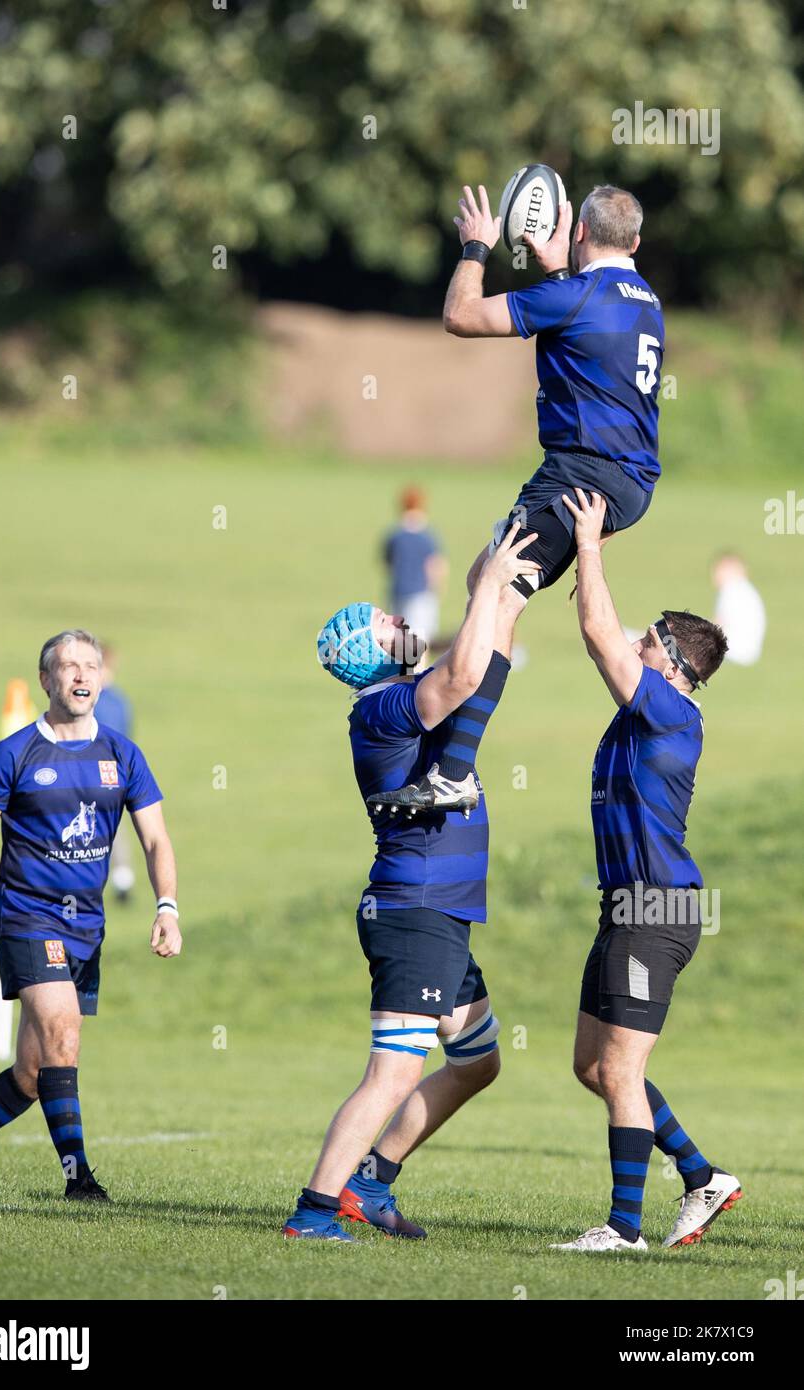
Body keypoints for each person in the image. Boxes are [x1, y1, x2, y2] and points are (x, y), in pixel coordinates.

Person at [373, 182, 666, 814]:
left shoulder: (576, 292)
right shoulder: (645, 301)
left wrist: (477, 247)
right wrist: (559, 263)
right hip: (628, 478)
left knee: (497, 593)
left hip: (580, 476)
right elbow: (585, 333)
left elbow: (462, 317)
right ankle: (453, 746)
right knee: (486, 576)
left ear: (582, 232)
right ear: (636, 243)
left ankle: (454, 770)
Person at [281, 528, 539, 1239]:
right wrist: (486, 589)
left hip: (442, 911)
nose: (404, 623)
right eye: (389, 624)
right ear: (371, 652)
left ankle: (373, 1180)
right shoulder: (381, 708)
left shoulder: (407, 694)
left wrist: (498, 585)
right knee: (392, 1074)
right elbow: (461, 677)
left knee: (478, 1061)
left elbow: (480, 662)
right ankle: (313, 1212)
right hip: (413, 909)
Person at [549, 491, 741, 1252]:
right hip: (626, 907)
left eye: (651, 639)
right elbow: (604, 637)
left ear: (675, 662)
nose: (638, 641)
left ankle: (623, 1229)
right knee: (592, 1066)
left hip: (656, 911)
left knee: (621, 1070)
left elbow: (599, 633)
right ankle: (701, 1177)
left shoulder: (669, 711)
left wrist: (590, 544)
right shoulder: (644, 709)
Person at [0, 629, 181, 1200]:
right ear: (45, 680)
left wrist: (166, 907)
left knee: (32, 1072)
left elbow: (155, 840)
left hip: (87, 929)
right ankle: (79, 1179)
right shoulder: (13, 753)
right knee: (62, 1036)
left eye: (89, 666)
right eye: (67, 667)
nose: (79, 675)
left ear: (101, 677)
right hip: (27, 919)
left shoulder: (122, 754)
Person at [95, 643, 137, 901]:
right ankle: (122, 878)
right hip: (116, 771)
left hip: (98, 771)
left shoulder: (94, 700)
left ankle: (118, 878)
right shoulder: (120, 701)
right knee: (113, 823)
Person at [382, 487, 448, 647]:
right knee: (419, 641)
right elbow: (436, 565)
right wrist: (438, 588)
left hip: (397, 591)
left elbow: (387, 562)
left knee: (397, 641)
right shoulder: (428, 536)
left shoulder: (394, 535)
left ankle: (399, 671)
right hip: (420, 593)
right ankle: (419, 672)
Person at [711, 552, 766, 666]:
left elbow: (718, 625)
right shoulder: (746, 589)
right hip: (750, 651)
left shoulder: (731, 589)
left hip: (735, 651)